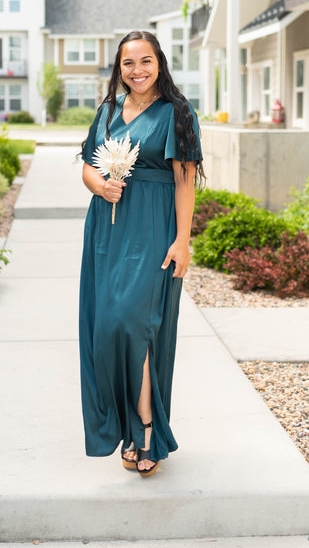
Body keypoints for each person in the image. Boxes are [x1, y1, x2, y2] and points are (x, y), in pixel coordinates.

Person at [79, 30, 204, 477]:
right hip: (108, 230)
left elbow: (185, 179)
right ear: (119, 68)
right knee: (109, 327)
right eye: (128, 63)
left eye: (145, 61)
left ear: (159, 63)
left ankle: (147, 427)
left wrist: (182, 240)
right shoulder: (108, 111)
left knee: (139, 325)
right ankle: (129, 428)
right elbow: (88, 168)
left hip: (155, 229)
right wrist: (101, 184)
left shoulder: (176, 111)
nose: (137, 71)